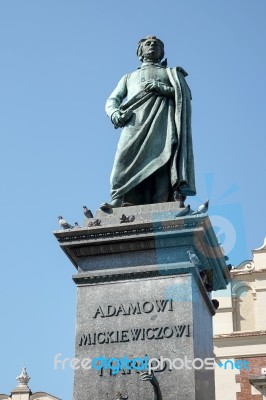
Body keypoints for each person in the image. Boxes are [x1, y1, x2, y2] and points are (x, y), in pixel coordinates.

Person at [102, 36, 196, 210]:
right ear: (140, 51)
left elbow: (185, 96)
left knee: (161, 160)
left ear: (161, 52)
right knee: (122, 160)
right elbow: (112, 100)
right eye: (148, 44)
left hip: (163, 125)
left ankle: (161, 202)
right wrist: (115, 113)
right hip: (134, 123)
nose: (152, 45)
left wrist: (161, 88)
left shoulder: (171, 73)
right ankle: (118, 197)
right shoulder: (129, 77)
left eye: (157, 45)